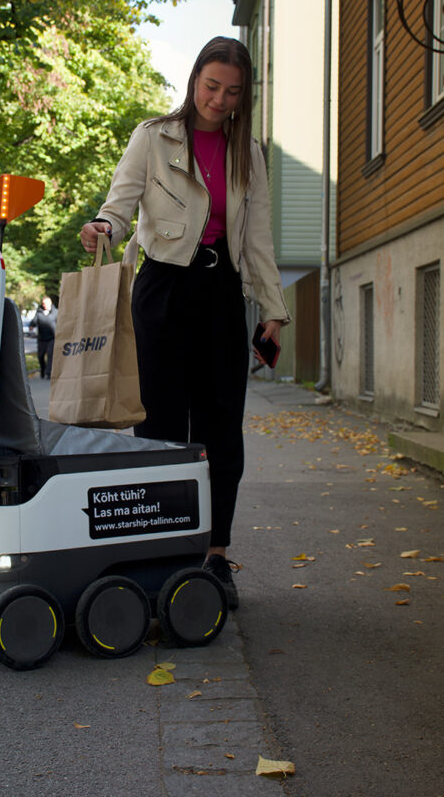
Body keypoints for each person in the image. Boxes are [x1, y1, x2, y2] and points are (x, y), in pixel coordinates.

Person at [79, 36, 289, 609]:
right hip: (164, 291)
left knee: (221, 430)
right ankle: (159, 553)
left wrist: (273, 309)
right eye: (211, 85)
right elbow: (119, 205)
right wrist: (103, 227)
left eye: (232, 92)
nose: (219, 99)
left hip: (222, 294)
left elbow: (259, 241)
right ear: (195, 78)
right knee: (162, 430)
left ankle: (215, 557)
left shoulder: (250, 156)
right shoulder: (153, 137)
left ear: (244, 97)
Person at [32, 296, 58, 379]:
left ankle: (48, 372)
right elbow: (33, 322)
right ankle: (43, 369)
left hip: (52, 338)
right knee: (40, 356)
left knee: (50, 355)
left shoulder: (56, 312)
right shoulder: (39, 313)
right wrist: (31, 325)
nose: (44, 305)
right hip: (42, 338)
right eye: (43, 304)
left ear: (50, 303)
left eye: (46, 303)